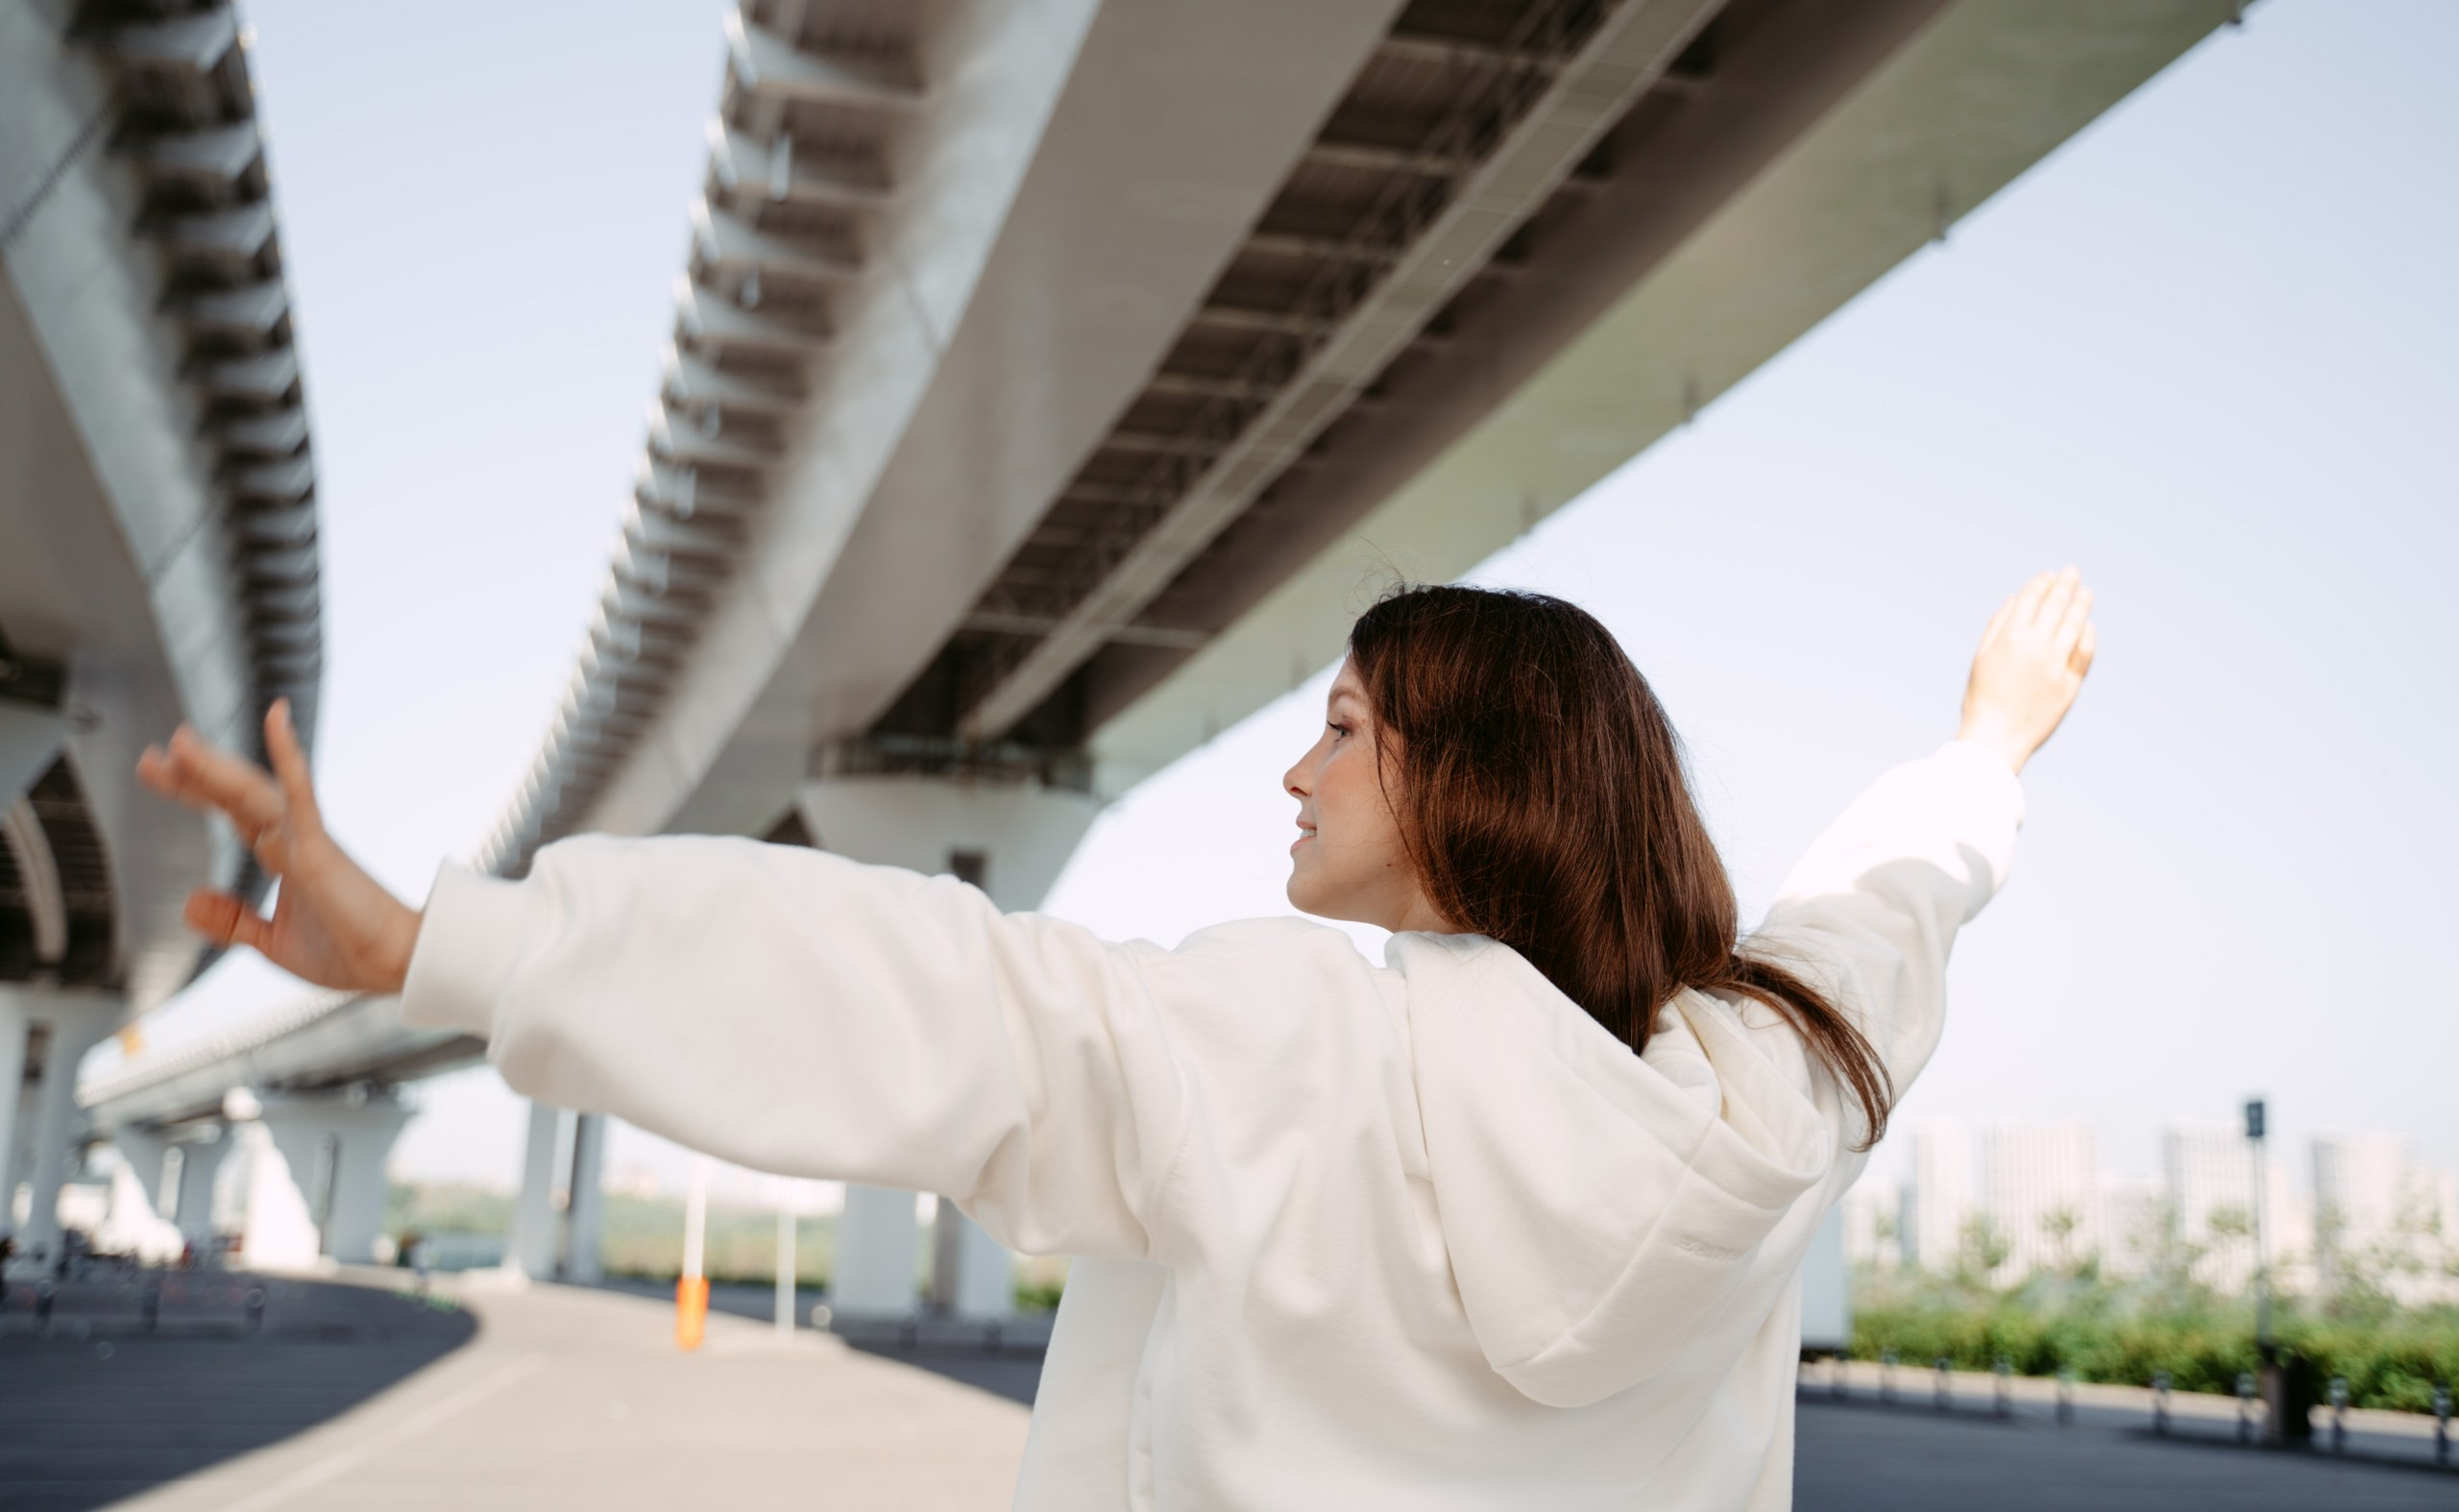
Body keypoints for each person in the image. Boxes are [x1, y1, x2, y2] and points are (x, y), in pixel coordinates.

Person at [137, 569, 2096, 1510]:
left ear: (1473, 773)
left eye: (1344, 721)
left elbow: (926, 995)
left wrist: (435, 941)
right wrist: (1989, 741)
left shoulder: (1283, 1055)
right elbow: (1890, 901)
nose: (1293, 763)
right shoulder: (1775, 1084)